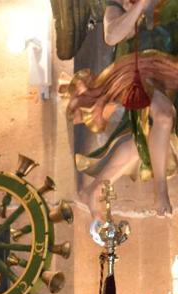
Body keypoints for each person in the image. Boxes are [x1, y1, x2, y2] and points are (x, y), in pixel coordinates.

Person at [62, 0, 178, 217]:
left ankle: (94, 189)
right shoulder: (118, 5)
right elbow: (112, 35)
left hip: (168, 73)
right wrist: (139, 7)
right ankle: (160, 192)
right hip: (134, 73)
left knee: (142, 140)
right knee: (163, 115)